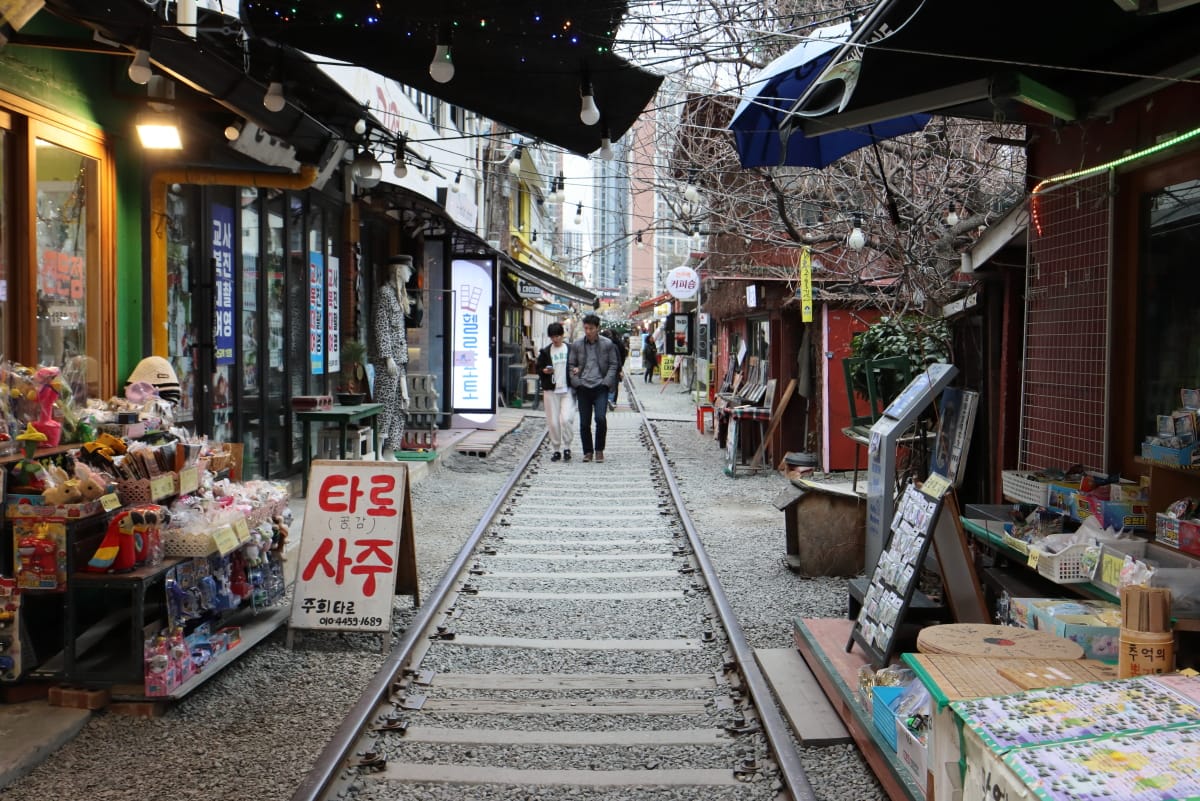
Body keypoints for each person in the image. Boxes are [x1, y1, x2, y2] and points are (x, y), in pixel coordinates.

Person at [370, 255, 413, 461]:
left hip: (400, 360)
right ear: (398, 270)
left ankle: (391, 449)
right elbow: (382, 327)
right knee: (385, 404)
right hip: (388, 361)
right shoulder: (385, 294)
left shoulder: (398, 296)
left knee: (400, 405)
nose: (410, 273)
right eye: (407, 269)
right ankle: (378, 449)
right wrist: (387, 357)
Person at [568, 313, 619, 463]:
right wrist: (576, 382)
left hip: (600, 387)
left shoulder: (607, 344)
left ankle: (599, 450)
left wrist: (606, 382)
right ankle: (588, 451)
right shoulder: (577, 345)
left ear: (597, 328)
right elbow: (571, 365)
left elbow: (613, 364)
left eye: (591, 328)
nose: (588, 331)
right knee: (584, 422)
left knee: (600, 418)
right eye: (586, 328)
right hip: (583, 387)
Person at [536, 322, 575, 462]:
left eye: (558, 336)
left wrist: (576, 370)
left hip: (567, 389)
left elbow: (577, 364)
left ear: (562, 335)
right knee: (553, 422)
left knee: (566, 419)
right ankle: (556, 449)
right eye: (552, 337)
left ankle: (567, 446)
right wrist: (544, 371)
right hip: (551, 390)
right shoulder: (545, 352)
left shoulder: (570, 350)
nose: (555, 339)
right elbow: (538, 368)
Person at [602, 328, 627, 410]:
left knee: (605, 385)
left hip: (603, 369)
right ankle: (612, 401)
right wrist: (620, 369)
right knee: (613, 386)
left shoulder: (599, 345)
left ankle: (606, 401)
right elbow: (620, 357)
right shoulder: (615, 344)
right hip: (614, 369)